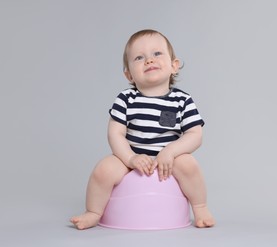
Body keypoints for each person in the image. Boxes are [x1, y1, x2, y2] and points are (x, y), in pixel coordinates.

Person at [70, 29, 215, 230]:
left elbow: (195, 134)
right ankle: (94, 211)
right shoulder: (126, 99)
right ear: (128, 74)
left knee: (189, 164)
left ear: (174, 66)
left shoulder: (182, 100)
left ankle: (200, 207)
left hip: (169, 161)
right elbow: (115, 133)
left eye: (157, 54)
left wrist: (170, 152)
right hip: (131, 160)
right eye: (139, 57)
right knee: (103, 170)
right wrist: (130, 158)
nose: (149, 60)